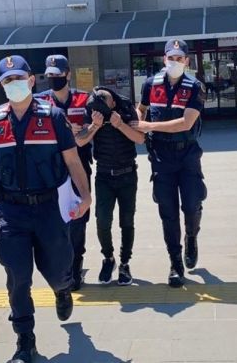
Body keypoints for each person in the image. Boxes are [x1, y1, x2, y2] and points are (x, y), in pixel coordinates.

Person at [0, 55, 91, 363]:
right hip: (12, 212)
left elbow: (72, 160)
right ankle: (25, 340)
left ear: (32, 80)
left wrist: (86, 196)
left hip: (48, 209)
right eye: (8, 80)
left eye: (19, 78)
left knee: (58, 269)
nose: (15, 84)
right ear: (1, 85)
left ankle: (62, 289)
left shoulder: (53, 116)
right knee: (17, 276)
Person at [131, 39, 207, 288]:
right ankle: (175, 263)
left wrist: (149, 125)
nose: (175, 62)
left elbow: (186, 123)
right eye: (170, 58)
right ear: (164, 59)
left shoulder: (195, 87)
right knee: (168, 212)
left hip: (187, 155)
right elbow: (141, 109)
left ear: (187, 60)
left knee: (192, 204)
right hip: (161, 156)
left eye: (179, 58)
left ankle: (191, 236)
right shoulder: (150, 84)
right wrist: (136, 120)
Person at [77, 87, 144, 285]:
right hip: (104, 175)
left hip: (127, 174)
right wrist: (95, 125)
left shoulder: (126, 108)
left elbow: (140, 139)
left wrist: (120, 124)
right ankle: (108, 258)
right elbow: (80, 141)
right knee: (102, 221)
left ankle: (125, 263)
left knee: (127, 221)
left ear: (113, 103)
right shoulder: (92, 111)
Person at [37, 55, 92, 291]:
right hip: (53, 170)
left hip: (79, 165)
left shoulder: (84, 98)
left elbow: (89, 131)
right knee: (56, 221)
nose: (53, 79)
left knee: (78, 219)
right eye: (49, 75)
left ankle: (76, 268)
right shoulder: (40, 101)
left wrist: (83, 131)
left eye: (58, 75)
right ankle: (62, 269)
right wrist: (68, 129)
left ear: (68, 74)